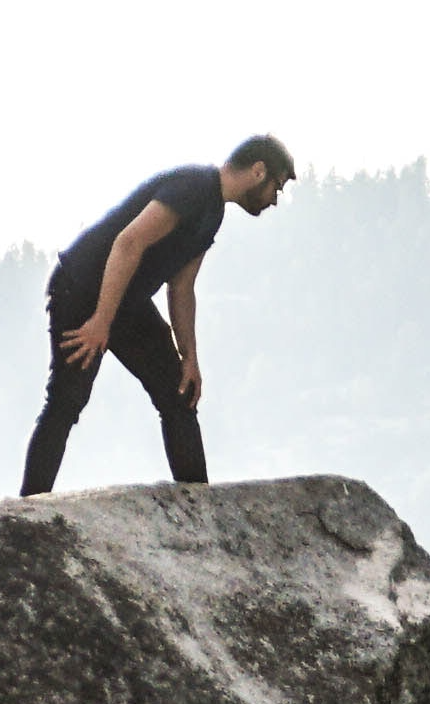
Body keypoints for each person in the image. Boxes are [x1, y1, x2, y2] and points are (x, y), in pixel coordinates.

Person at [19, 138, 294, 493]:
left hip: (127, 303)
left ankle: (200, 507)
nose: (274, 199)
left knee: (178, 394)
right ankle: (30, 507)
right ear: (258, 171)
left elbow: (181, 289)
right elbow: (128, 243)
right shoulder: (194, 188)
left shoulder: (212, 213)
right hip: (81, 290)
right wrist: (101, 320)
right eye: (277, 187)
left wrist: (190, 357)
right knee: (66, 400)